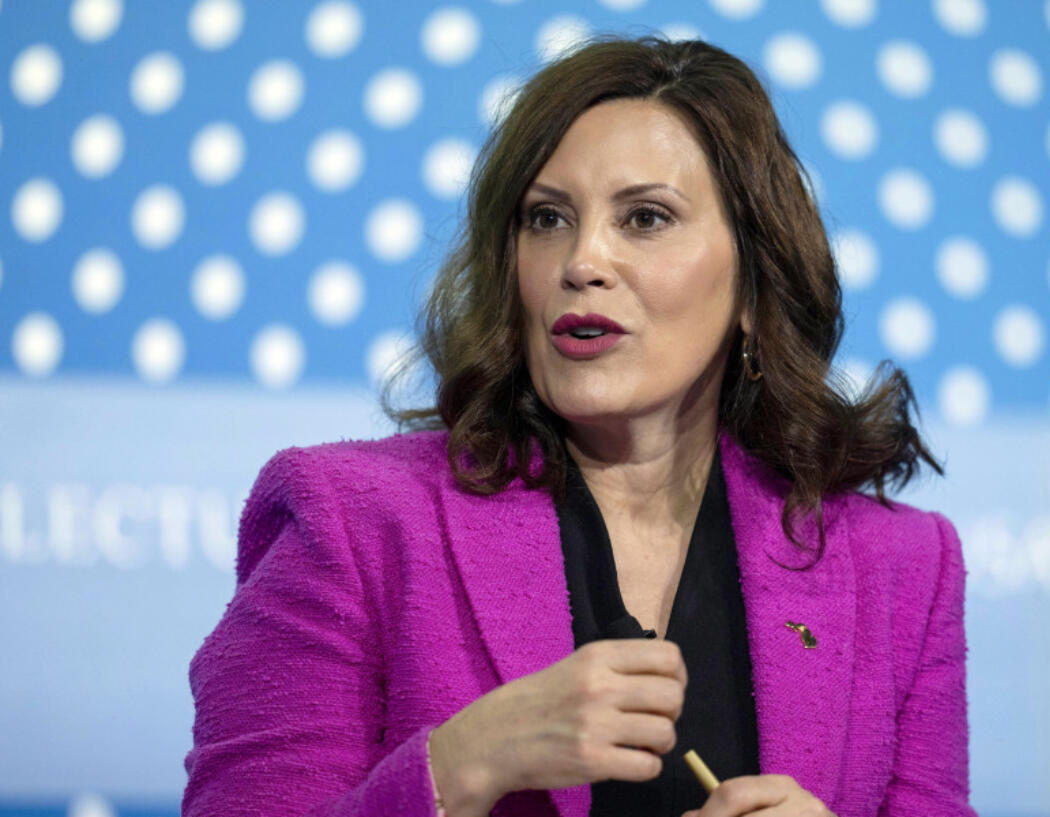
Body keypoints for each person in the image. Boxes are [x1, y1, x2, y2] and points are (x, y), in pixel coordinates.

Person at [182, 34, 975, 817]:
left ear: (753, 288)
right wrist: (461, 764)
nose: (581, 260)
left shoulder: (901, 567)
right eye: (547, 217)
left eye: (645, 218)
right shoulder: (351, 519)